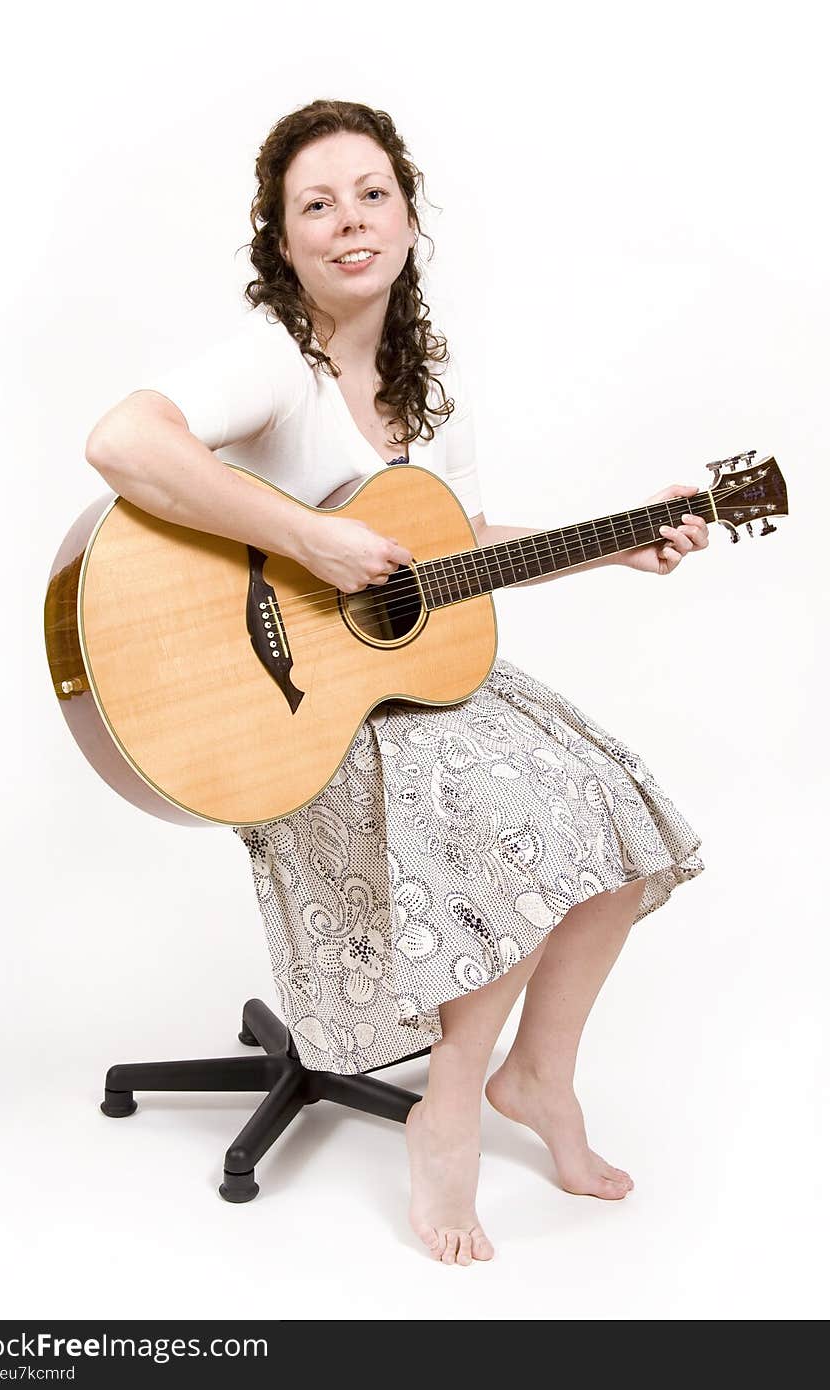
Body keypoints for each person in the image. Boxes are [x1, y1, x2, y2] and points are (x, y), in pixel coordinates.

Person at [84, 99, 708, 1267]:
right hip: (296, 727)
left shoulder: (431, 383)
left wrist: (610, 541)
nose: (348, 220)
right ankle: (451, 1100)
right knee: (528, 820)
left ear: (410, 214)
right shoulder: (274, 358)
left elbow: (451, 543)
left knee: (621, 812)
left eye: (371, 193)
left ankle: (540, 1077)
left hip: (412, 697)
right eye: (314, 205)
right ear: (281, 243)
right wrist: (313, 543)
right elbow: (124, 439)